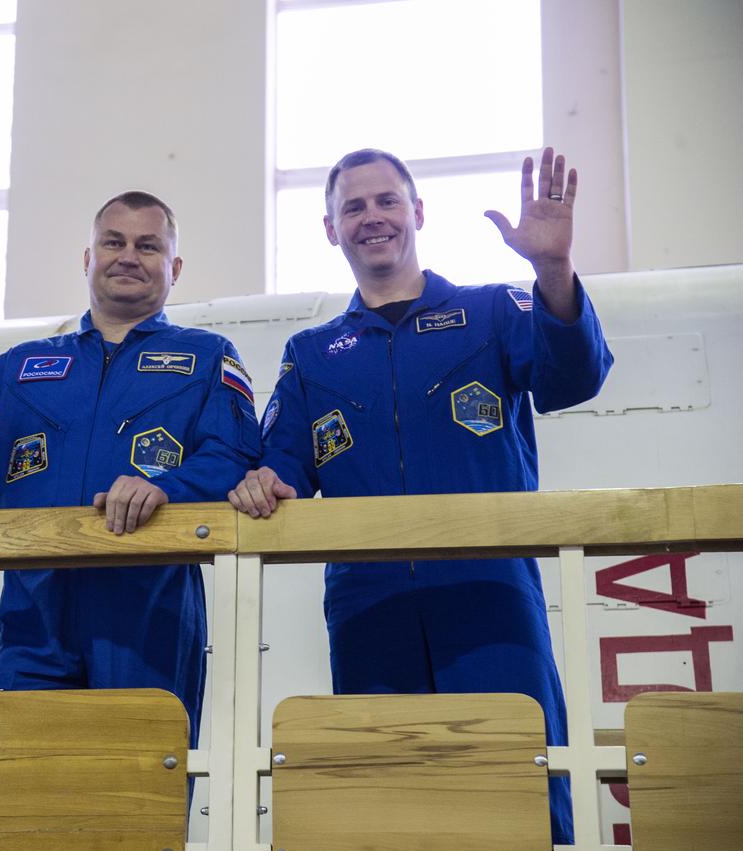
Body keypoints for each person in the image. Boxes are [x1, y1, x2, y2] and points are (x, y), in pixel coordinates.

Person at [228, 148, 613, 844]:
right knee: (388, 809)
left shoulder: (492, 310)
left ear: (417, 213)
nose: (371, 217)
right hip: (368, 609)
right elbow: (280, 464)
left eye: (385, 201)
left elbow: (574, 376)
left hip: (491, 598)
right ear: (329, 228)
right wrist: (261, 481)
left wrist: (552, 268)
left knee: (515, 800)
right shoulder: (312, 353)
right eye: (353, 206)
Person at [0, 191, 261, 744]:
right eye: (112, 242)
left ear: (175, 267)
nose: (128, 256)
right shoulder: (23, 366)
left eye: (149, 246)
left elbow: (236, 455)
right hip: (28, 617)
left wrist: (166, 489)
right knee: (6, 787)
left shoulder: (208, 356)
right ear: (87, 257)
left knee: (141, 792)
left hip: (150, 612)